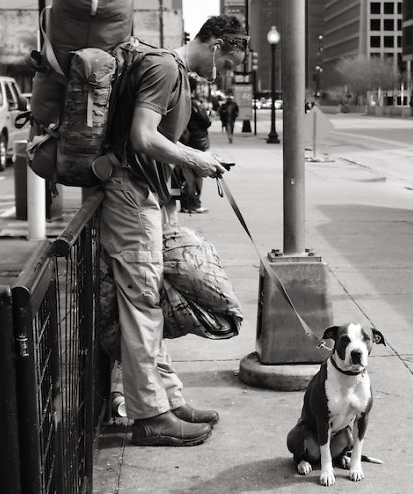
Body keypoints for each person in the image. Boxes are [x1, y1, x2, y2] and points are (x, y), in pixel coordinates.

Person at [100, 15, 247, 447]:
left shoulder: (175, 73)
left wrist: (199, 159)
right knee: (142, 305)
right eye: (230, 62)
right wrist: (194, 161)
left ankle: (169, 400)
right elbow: (142, 137)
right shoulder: (165, 68)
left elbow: (157, 138)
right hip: (131, 195)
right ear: (217, 44)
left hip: (148, 196)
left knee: (151, 305)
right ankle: (151, 416)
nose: (227, 72)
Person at [177, 76, 211, 214]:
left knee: (187, 176)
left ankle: (188, 203)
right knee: (195, 177)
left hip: (186, 142)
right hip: (196, 143)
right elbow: (206, 122)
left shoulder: (182, 102)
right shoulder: (193, 103)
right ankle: (193, 203)